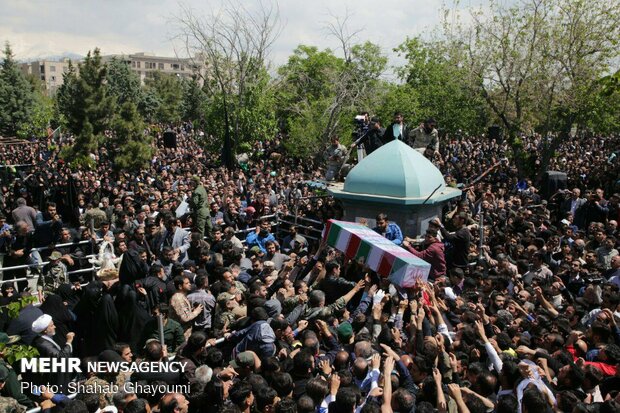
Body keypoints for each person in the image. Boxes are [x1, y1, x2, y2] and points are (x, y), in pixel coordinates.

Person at [30, 314, 75, 389]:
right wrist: (69, 341)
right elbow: (61, 357)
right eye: (51, 325)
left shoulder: (44, 338)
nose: (55, 327)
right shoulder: (43, 344)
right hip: (54, 378)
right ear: (45, 330)